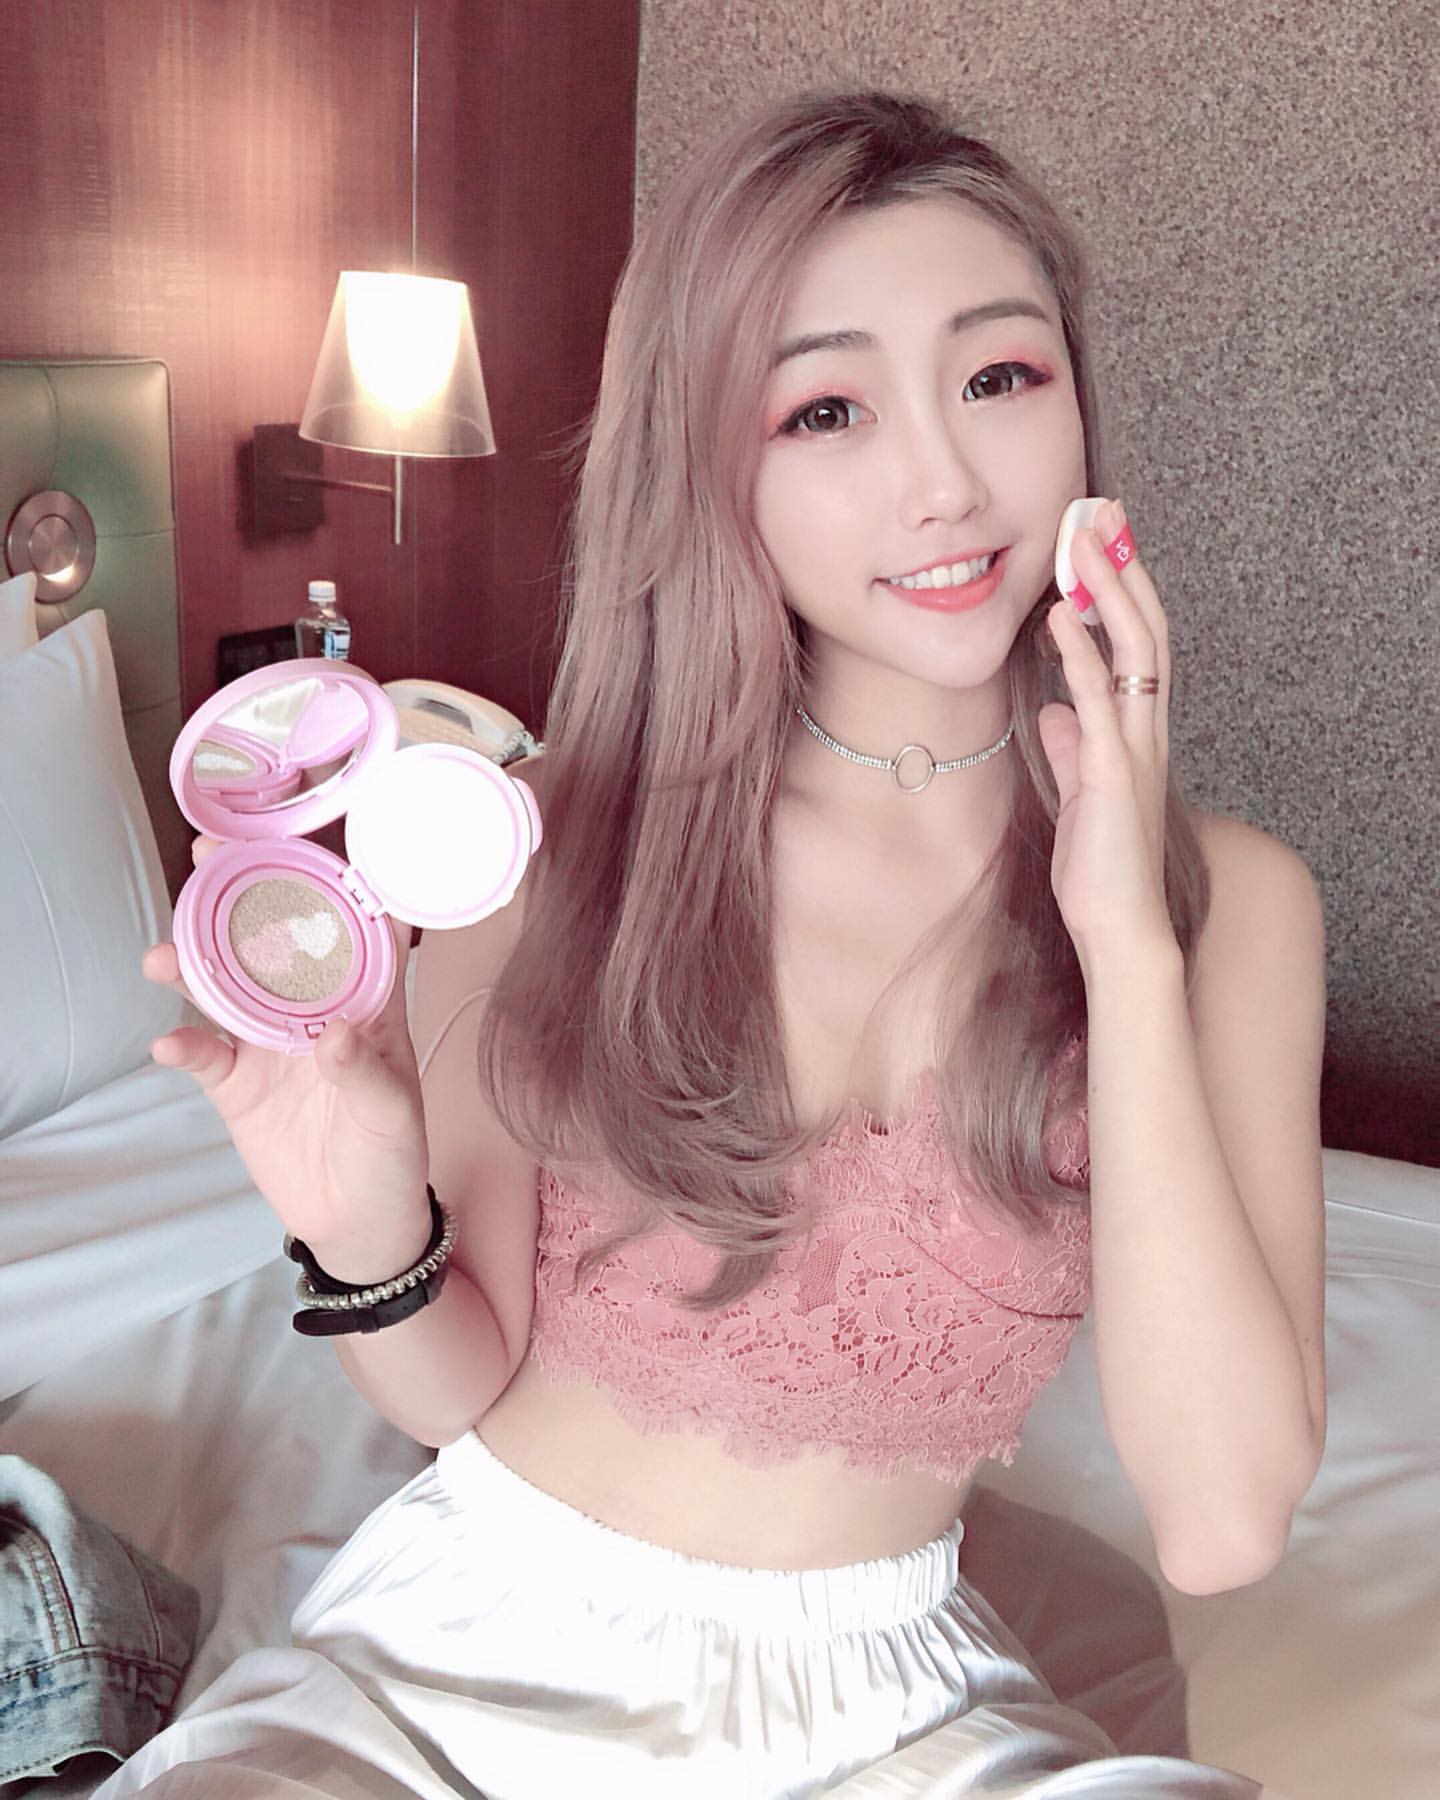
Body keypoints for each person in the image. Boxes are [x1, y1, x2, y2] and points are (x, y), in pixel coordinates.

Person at [99, 88, 1326, 1800]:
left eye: (999, 376)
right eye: (826, 408)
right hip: (462, 1665)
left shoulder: (1228, 905)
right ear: (711, 463)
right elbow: (456, 1389)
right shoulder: (547, 842)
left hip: (903, 1714)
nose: (944, 482)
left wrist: (1123, 944)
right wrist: (363, 1227)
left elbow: (1223, 1522)